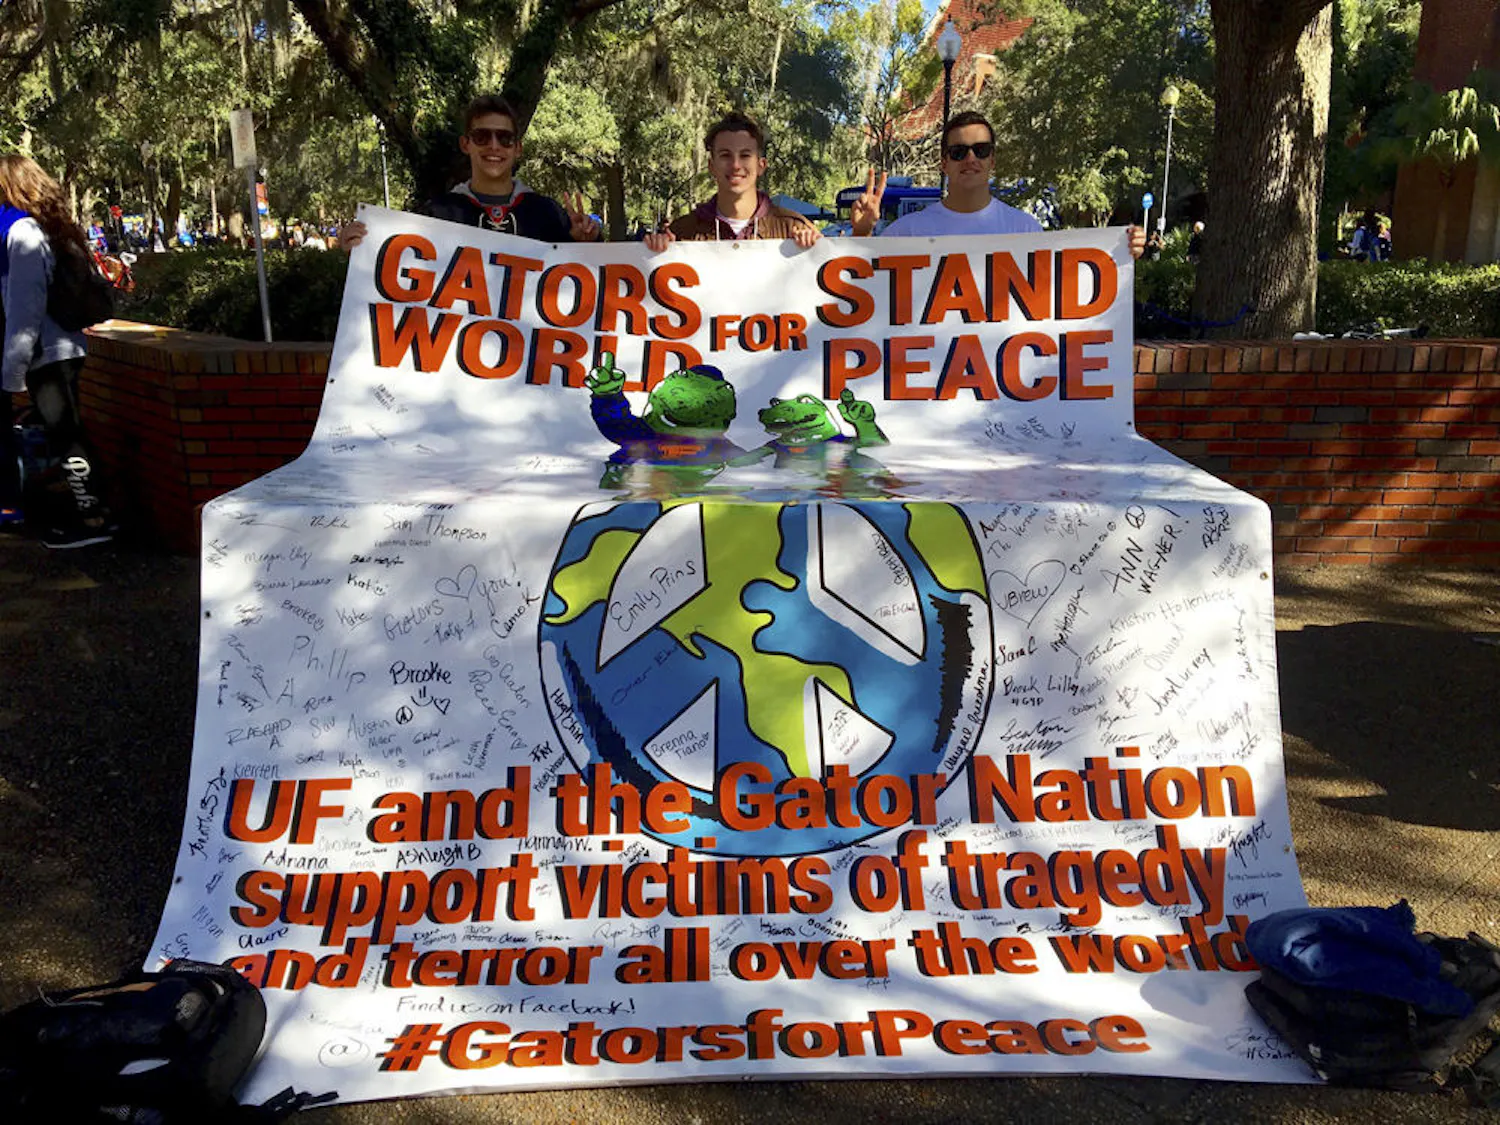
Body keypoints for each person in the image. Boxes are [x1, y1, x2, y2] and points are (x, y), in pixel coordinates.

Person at [0, 154, 116, 548]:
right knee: (68, 432)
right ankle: (93, 513)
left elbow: (24, 307)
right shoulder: (51, 228)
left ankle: (92, 519)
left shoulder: (24, 234)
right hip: (64, 347)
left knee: (66, 434)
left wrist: (13, 372)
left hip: (47, 353)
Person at [849, 111, 1146, 259]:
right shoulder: (906, 232)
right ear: (944, 163)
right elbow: (860, 284)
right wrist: (862, 232)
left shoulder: (1024, 230)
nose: (970, 158)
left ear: (992, 160)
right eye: (957, 152)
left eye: (980, 150)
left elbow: (1060, 293)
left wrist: (1118, 251)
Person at [339, 95, 601, 250]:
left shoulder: (547, 214)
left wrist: (586, 242)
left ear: (517, 148)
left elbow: (590, 285)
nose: (494, 146)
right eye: (482, 136)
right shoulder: (437, 215)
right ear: (466, 144)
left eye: (505, 138)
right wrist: (363, 248)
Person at [643, 112, 820, 249]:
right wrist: (653, 253)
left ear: (761, 165)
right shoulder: (682, 232)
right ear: (711, 166)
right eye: (725, 155)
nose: (735, 165)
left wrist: (818, 250)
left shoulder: (794, 228)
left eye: (745, 155)